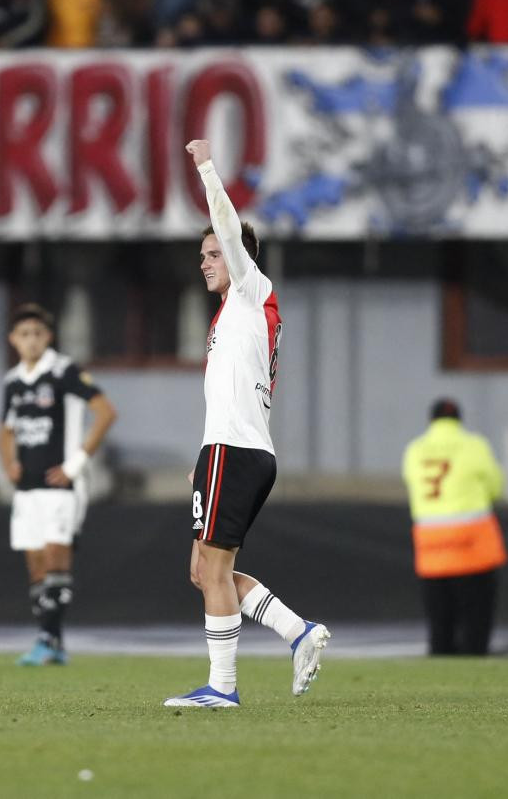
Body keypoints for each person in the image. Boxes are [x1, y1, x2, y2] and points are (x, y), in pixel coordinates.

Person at [163, 139, 330, 709]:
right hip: (231, 449)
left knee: (211, 567)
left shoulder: (251, 291)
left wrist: (208, 167)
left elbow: (230, 229)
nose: (206, 263)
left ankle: (224, 688)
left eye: (212, 255)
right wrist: (204, 454)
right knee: (205, 570)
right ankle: (297, 632)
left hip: (236, 452)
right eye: (205, 257)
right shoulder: (237, 316)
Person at [0, 303, 117, 665]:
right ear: (13, 340)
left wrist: (75, 464)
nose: (31, 340)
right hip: (28, 488)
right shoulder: (13, 381)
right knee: (35, 565)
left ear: (47, 337)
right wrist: (9, 463)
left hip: (61, 486)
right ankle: (52, 642)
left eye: (37, 333)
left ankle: (47, 639)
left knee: (55, 558)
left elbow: (105, 412)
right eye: (24, 334)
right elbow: (6, 430)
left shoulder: (64, 371)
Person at [401, 398, 508, 656]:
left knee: (439, 622)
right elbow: (496, 487)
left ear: (432, 420)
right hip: (472, 543)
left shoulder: (415, 449)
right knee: (475, 620)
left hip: (431, 544)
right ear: (459, 419)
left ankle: (440, 669)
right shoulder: (475, 445)